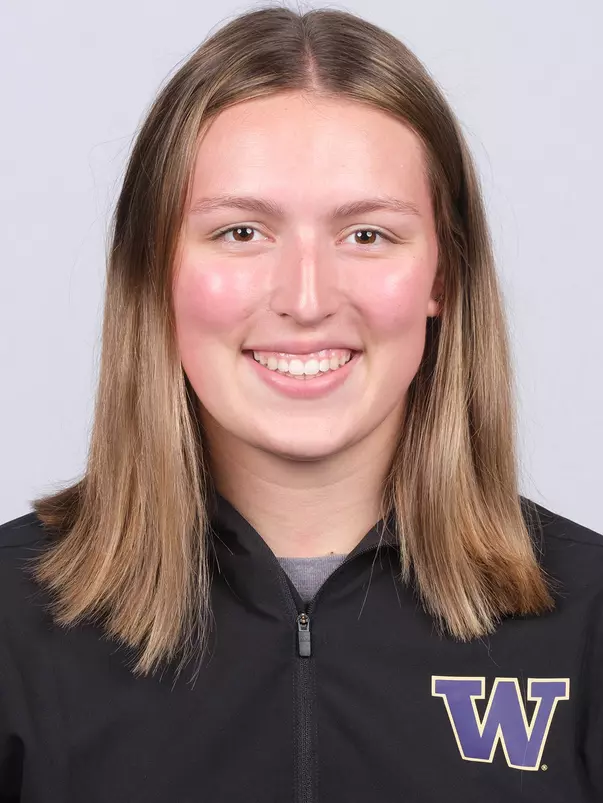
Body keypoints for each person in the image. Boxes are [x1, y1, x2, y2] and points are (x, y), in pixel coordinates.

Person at [0, 4, 601, 802]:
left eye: (367, 236)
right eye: (242, 233)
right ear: (155, 271)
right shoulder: (10, 630)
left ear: (443, 277)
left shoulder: (589, 626)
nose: (307, 298)